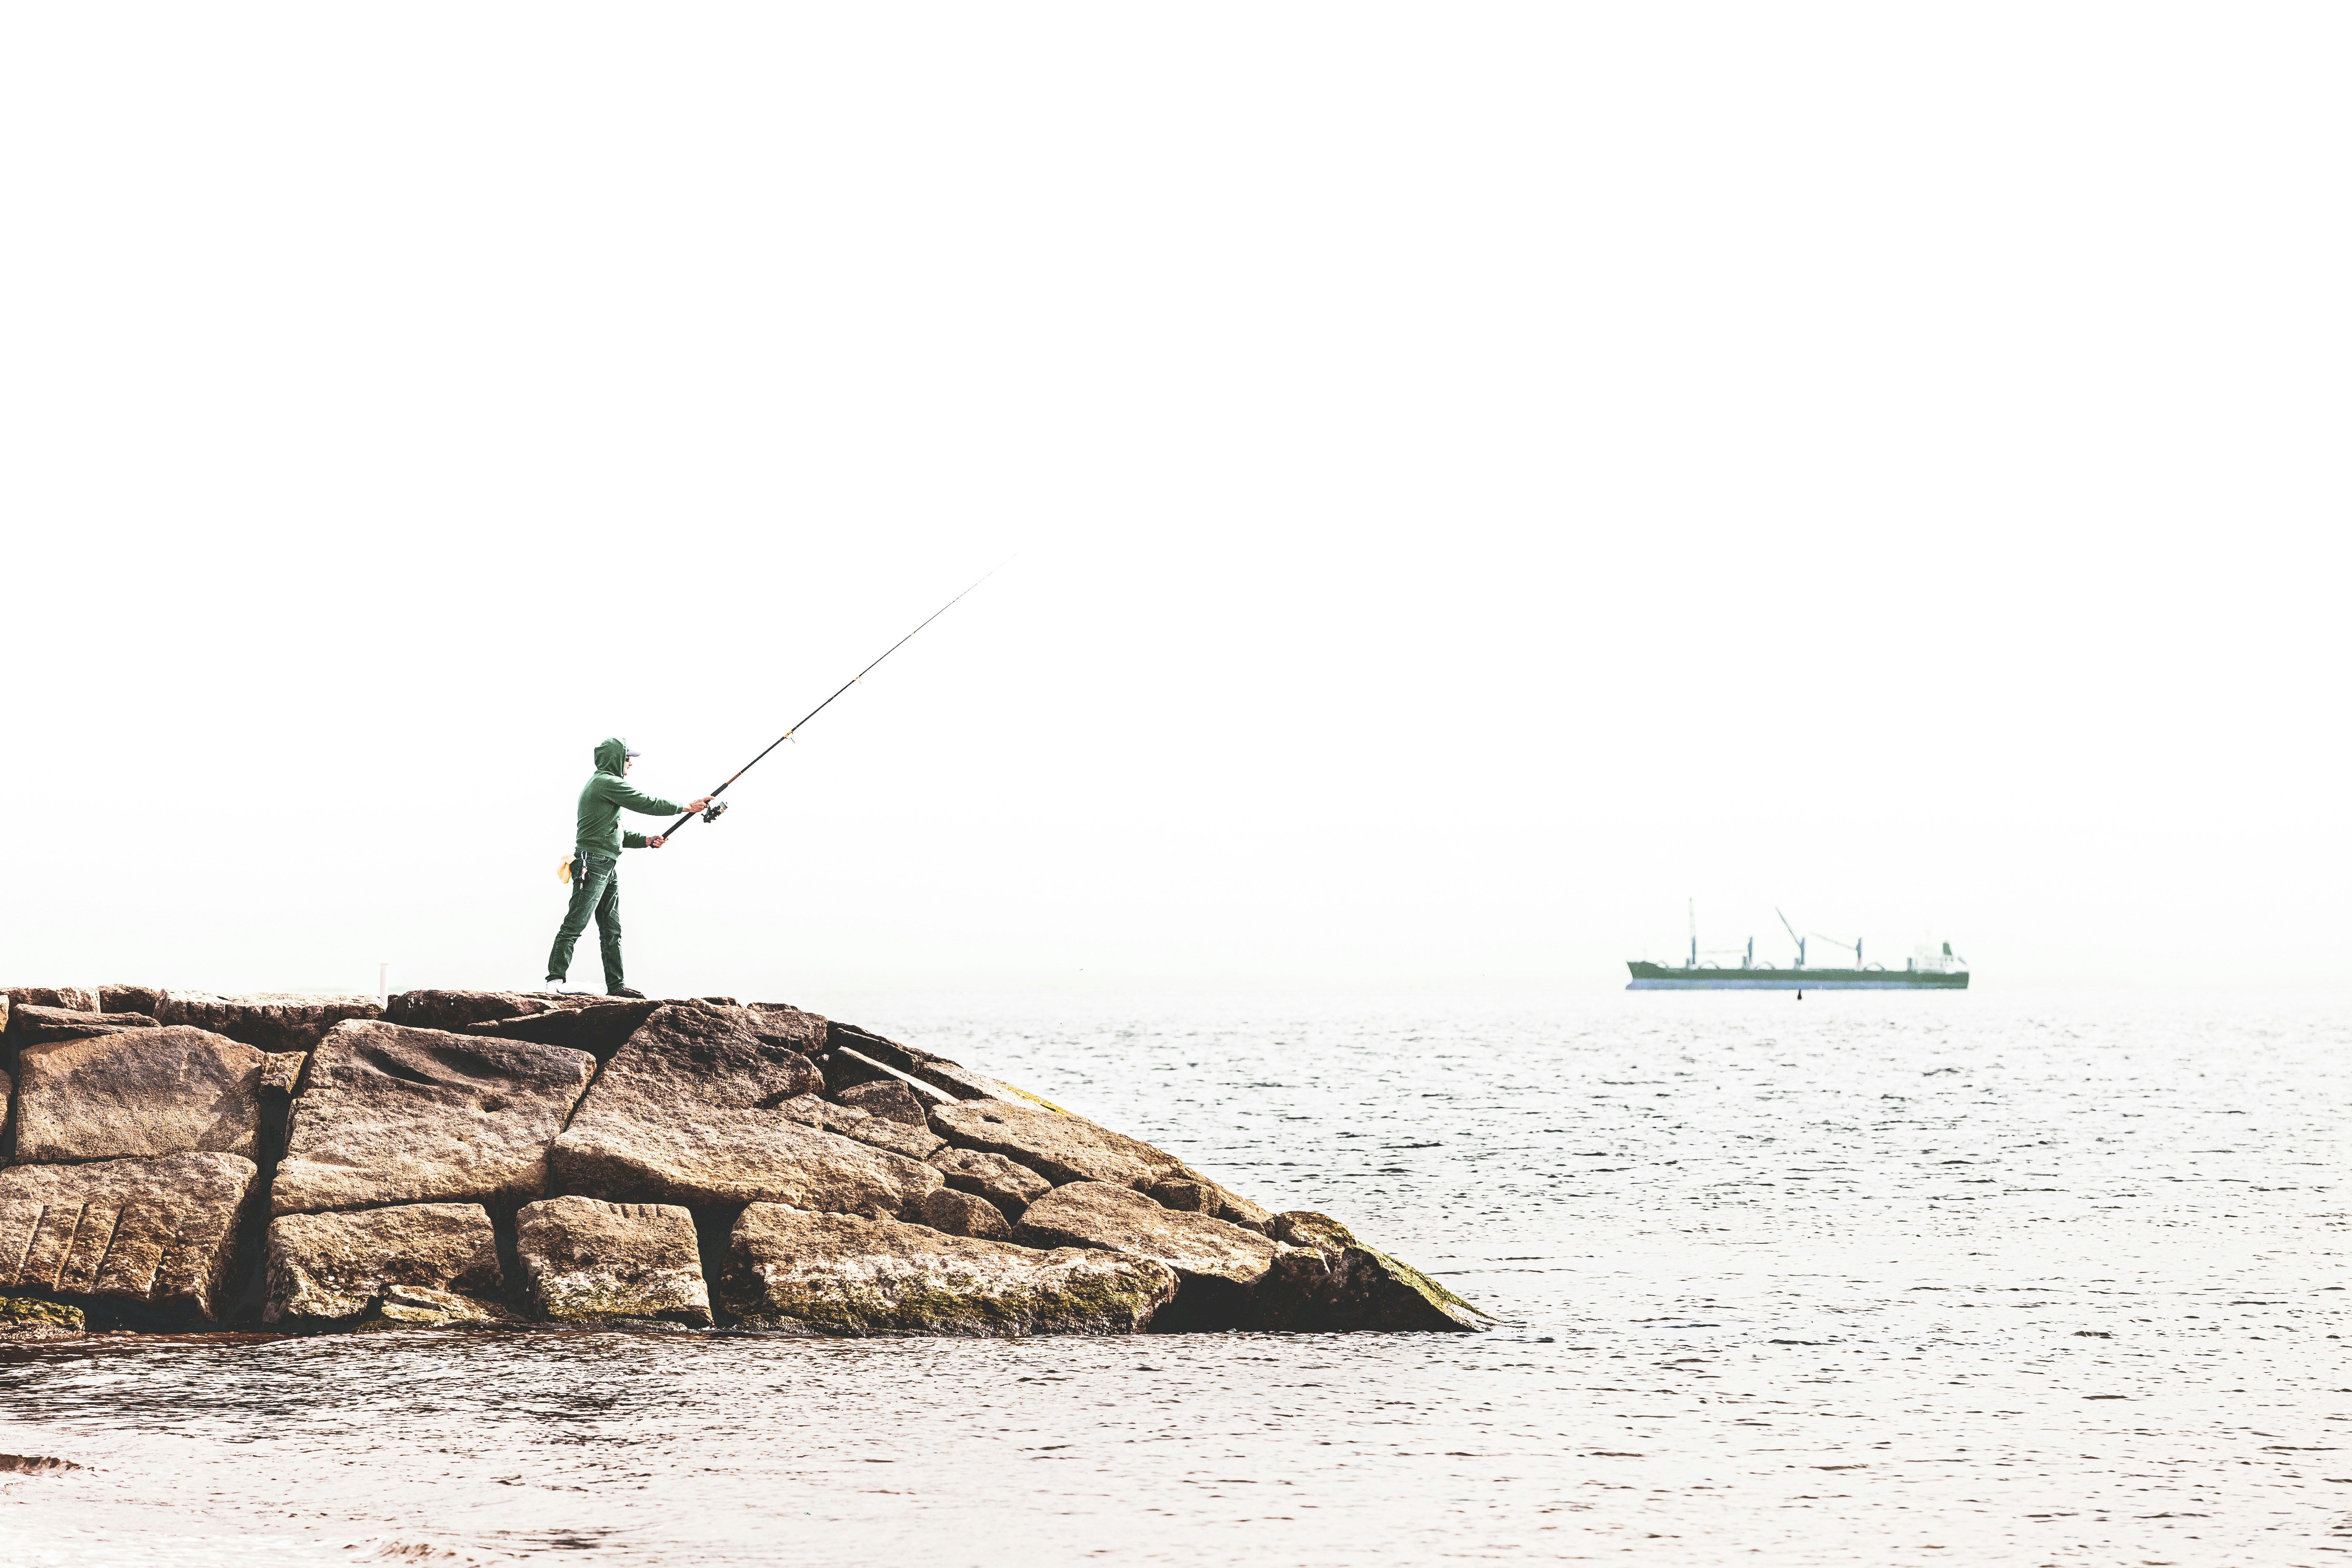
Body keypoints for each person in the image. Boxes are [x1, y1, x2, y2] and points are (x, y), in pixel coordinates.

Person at [544, 737, 710, 997]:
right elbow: (645, 802)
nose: (631, 763)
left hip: (606, 864)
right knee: (575, 923)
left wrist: (645, 841)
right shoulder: (605, 782)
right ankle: (554, 981)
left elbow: (616, 831)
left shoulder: (604, 785)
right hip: (593, 864)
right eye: (626, 758)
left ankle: (617, 987)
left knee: (612, 929)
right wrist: (686, 807)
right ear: (615, 759)